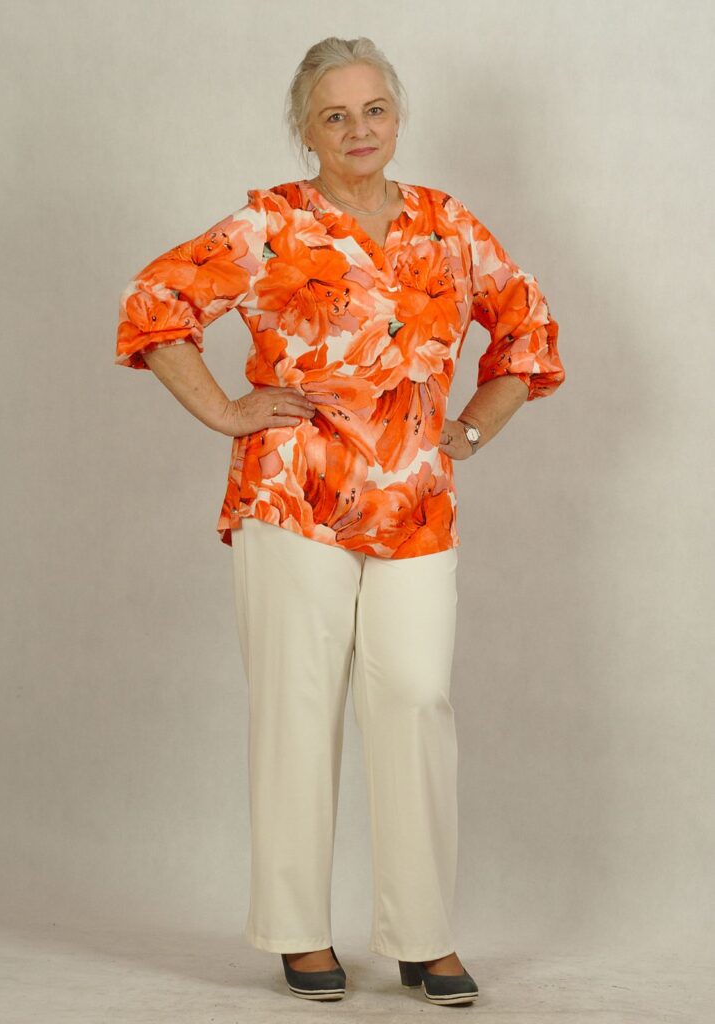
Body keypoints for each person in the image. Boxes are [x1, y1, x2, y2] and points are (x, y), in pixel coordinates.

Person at [115, 35, 564, 1006]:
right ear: (306, 129)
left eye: (374, 110)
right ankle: (297, 931)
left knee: (416, 699)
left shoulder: (448, 226)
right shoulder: (271, 226)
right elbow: (157, 301)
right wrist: (226, 410)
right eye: (335, 115)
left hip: (416, 504)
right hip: (293, 498)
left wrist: (469, 431)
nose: (358, 130)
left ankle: (423, 935)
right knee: (298, 707)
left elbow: (528, 330)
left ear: (397, 118)